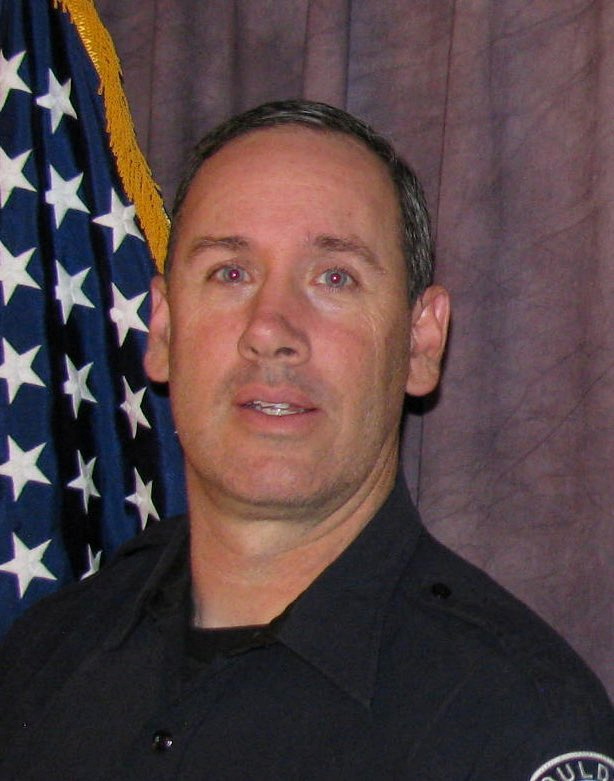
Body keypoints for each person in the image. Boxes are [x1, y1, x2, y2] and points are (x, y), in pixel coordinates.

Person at [0, 100, 612, 780]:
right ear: (165, 330)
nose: (272, 328)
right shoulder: (41, 661)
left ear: (421, 342)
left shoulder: (516, 725)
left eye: (334, 277)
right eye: (230, 272)